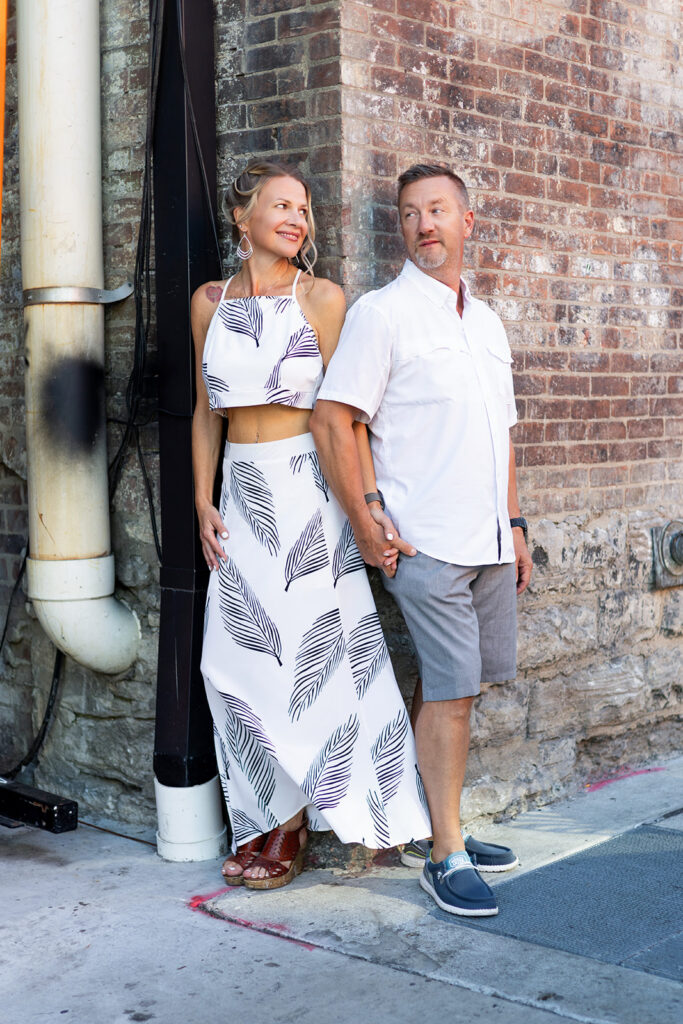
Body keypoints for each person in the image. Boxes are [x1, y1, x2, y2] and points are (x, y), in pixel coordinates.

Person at [192, 160, 431, 891]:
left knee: (313, 659)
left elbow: (344, 417)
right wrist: (203, 500)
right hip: (241, 495)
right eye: (283, 205)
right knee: (234, 664)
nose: (299, 218)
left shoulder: (323, 298)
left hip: (307, 495)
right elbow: (207, 411)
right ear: (244, 218)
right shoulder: (207, 301)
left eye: (305, 209)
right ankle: (265, 812)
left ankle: (293, 826)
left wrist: (366, 508)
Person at [310, 162, 533, 918]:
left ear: (467, 221)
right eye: (409, 214)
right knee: (453, 693)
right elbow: (333, 418)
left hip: (487, 542)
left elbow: (500, 433)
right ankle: (444, 854)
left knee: (467, 688)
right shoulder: (382, 313)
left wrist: (515, 525)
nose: (423, 224)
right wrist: (369, 521)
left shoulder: (488, 321)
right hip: (426, 542)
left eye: (437, 210)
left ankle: (437, 826)